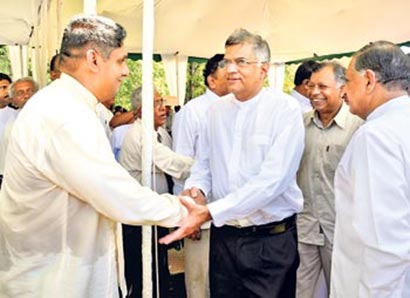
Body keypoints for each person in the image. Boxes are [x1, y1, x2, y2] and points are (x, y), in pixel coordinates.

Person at [0, 15, 191, 298]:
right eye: (121, 60)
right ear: (93, 59)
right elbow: (115, 194)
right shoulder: (64, 114)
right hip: (55, 283)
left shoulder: (67, 105)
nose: (126, 71)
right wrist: (186, 210)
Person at [161, 28, 305, 298]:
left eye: (241, 62)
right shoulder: (215, 111)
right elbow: (204, 163)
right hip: (225, 238)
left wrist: (212, 211)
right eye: (227, 62)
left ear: (263, 69)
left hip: (270, 242)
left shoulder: (285, 110)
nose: (231, 69)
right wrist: (196, 191)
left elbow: (272, 182)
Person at [330, 41, 410, 297]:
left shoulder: (376, 136)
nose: (343, 91)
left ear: (368, 80)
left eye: (348, 81)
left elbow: (384, 241)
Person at [296, 61, 362, 298]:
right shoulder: (300, 125)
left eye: (322, 86)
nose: (314, 92)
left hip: (342, 229)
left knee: (342, 290)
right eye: (310, 86)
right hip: (305, 226)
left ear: (342, 88)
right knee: (302, 290)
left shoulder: (358, 127)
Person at [119, 86, 193, 298]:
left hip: (155, 212)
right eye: (157, 104)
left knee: (158, 265)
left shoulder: (159, 134)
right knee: (143, 271)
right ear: (141, 110)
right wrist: (204, 166)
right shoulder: (138, 135)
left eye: (163, 103)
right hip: (139, 216)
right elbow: (169, 162)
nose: (164, 108)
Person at [171, 53, 229, 298]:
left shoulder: (237, 110)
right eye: (228, 76)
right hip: (200, 216)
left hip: (228, 215)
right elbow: (180, 166)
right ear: (212, 81)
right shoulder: (193, 112)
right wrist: (189, 212)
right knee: (199, 281)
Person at [0, 76, 39, 188]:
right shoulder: (13, 125)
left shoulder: (52, 118)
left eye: (31, 91)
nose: (27, 96)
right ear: (13, 100)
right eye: (20, 93)